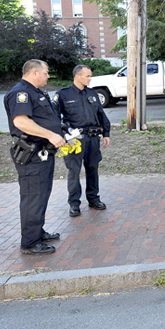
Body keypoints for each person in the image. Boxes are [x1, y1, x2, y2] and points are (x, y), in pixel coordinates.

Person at [4, 59, 66, 255]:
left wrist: (60, 134)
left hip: (43, 152)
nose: (48, 76)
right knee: (33, 197)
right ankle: (30, 243)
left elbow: (47, 120)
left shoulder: (35, 92)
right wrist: (50, 135)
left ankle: (37, 232)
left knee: (42, 195)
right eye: (46, 73)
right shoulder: (20, 93)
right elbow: (21, 121)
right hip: (32, 155)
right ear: (34, 73)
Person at [54, 65, 111, 217]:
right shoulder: (63, 94)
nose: (90, 78)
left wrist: (106, 133)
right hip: (75, 140)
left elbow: (101, 114)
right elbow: (54, 118)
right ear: (77, 76)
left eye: (90, 76)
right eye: (87, 76)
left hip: (92, 138)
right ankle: (74, 204)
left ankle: (93, 199)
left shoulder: (92, 93)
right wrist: (63, 136)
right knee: (74, 171)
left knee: (93, 169)